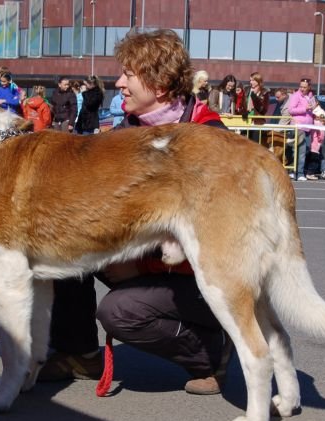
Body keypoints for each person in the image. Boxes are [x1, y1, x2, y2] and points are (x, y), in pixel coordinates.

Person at [39, 29, 232, 396]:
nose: (119, 83)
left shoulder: (209, 135)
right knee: (62, 244)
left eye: (129, 74)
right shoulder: (124, 132)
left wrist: (140, 265)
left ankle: (212, 352)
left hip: (204, 278)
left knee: (120, 312)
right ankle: (79, 353)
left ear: (159, 85)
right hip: (146, 262)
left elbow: (216, 235)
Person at [288, 77, 317, 181]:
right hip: (298, 126)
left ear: (309, 87)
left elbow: (313, 109)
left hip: (308, 127)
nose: (302, 89)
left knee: (305, 150)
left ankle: (297, 171)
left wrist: (316, 111)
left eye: (304, 87)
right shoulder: (296, 96)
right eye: (301, 87)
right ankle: (297, 173)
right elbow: (291, 110)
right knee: (299, 151)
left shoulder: (310, 96)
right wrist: (304, 109)